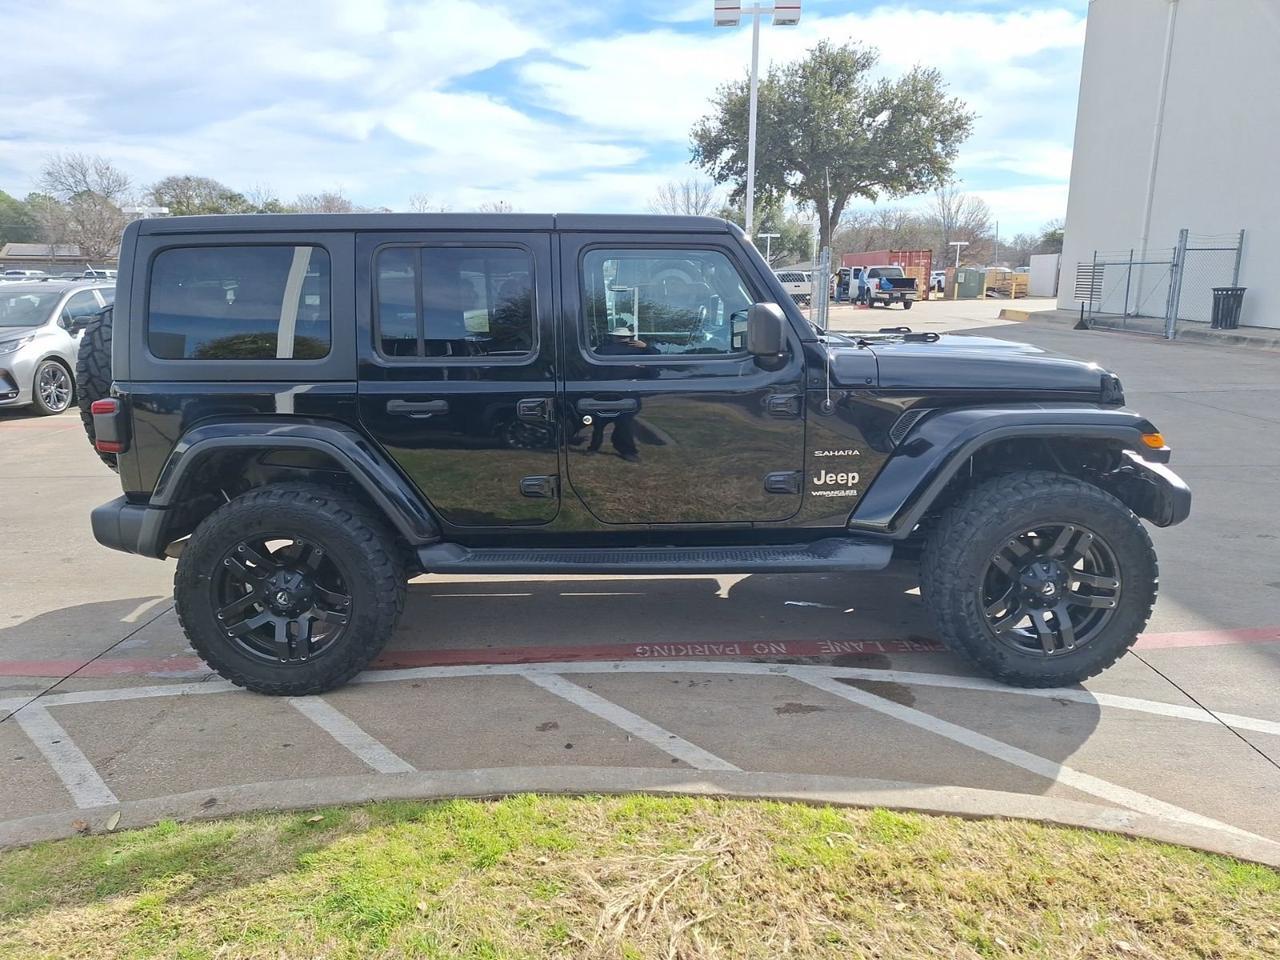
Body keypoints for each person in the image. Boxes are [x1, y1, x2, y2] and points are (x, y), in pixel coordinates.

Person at [584, 326, 657, 461]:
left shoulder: (603, 349)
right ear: (629, 337)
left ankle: (594, 447)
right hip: (626, 391)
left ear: (614, 337)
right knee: (624, 422)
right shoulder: (637, 350)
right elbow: (656, 361)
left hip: (605, 391)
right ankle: (627, 450)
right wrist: (646, 347)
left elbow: (592, 369)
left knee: (599, 423)